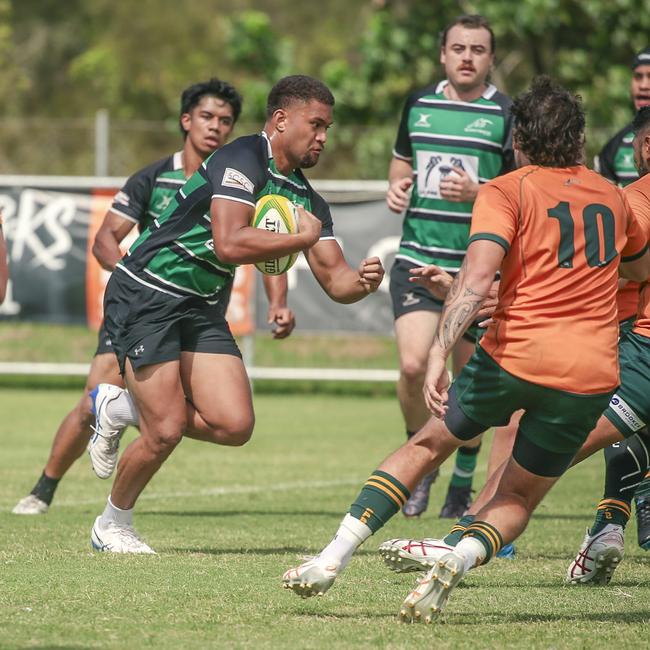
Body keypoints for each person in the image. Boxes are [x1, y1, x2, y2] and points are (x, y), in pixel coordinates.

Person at [282, 77, 650, 623]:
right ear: (579, 140)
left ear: (519, 139)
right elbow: (636, 272)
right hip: (589, 374)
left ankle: (331, 557)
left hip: (515, 355)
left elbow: (476, 278)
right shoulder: (614, 197)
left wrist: (438, 351)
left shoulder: (505, 189)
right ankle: (460, 554)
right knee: (519, 497)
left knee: (429, 443)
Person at [87, 75, 385, 554]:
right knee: (164, 429)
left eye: (327, 127)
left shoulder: (306, 198)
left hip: (200, 304)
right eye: (316, 125)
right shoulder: (241, 157)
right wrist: (301, 239)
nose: (323, 137)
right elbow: (229, 243)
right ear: (281, 120)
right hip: (148, 290)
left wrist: (364, 282)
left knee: (234, 425)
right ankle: (112, 523)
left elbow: (336, 281)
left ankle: (118, 406)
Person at [12, 78, 294, 514]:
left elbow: (266, 244)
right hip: (145, 305)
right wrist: (133, 274)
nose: (216, 127)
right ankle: (44, 489)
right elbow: (106, 239)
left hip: (198, 312)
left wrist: (278, 301)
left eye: (226, 120)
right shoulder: (153, 177)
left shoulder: (245, 177)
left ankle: (116, 508)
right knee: (95, 396)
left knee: (183, 419)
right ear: (186, 120)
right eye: (206, 117)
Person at [386, 14, 514, 519]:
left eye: (477, 49)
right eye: (458, 48)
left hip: (476, 270)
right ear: (443, 54)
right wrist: (396, 186)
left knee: (468, 382)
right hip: (418, 258)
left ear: (490, 58)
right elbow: (401, 165)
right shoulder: (418, 104)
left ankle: (462, 479)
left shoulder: (506, 112)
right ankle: (421, 461)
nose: (467, 57)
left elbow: (522, 187)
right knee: (415, 366)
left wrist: (479, 191)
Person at [565, 105, 650, 583]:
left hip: (632, 331)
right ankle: (609, 524)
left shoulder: (633, 197)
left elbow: (618, 268)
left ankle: (468, 535)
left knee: (559, 439)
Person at [595, 46, 650, 548]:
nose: (644, 82)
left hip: (635, 306)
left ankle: (478, 525)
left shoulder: (637, 194)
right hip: (624, 302)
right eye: (638, 74)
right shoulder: (614, 147)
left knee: (608, 418)